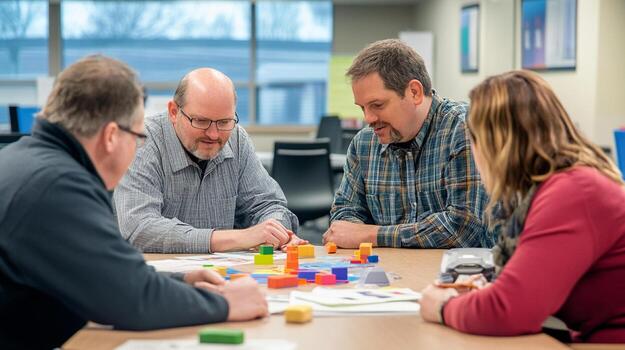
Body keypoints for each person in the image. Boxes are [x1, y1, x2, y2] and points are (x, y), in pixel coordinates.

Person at [0, 55, 268, 349]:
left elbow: (105, 276)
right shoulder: (58, 186)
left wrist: (183, 281)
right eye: (139, 137)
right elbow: (129, 299)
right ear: (112, 136)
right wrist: (225, 303)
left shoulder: (27, 161)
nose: (139, 146)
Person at [420, 70, 625, 343]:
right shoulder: (559, 185)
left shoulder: (573, 193)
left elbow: (508, 310)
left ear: (495, 144)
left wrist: (442, 306)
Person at [114, 68, 305, 253]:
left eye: (224, 122)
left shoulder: (237, 139)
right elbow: (139, 227)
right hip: (155, 276)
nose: (213, 134)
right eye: (201, 121)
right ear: (174, 112)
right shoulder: (143, 141)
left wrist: (276, 231)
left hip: (224, 275)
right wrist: (237, 238)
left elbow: (268, 204)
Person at [323, 39, 491, 249]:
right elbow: (344, 215)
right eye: (362, 108)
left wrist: (371, 235)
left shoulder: (464, 128)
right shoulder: (364, 144)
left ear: (414, 92)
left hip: (459, 275)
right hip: (388, 275)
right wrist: (354, 231)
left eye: (377, 105)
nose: (368, 118)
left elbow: (464, 229)